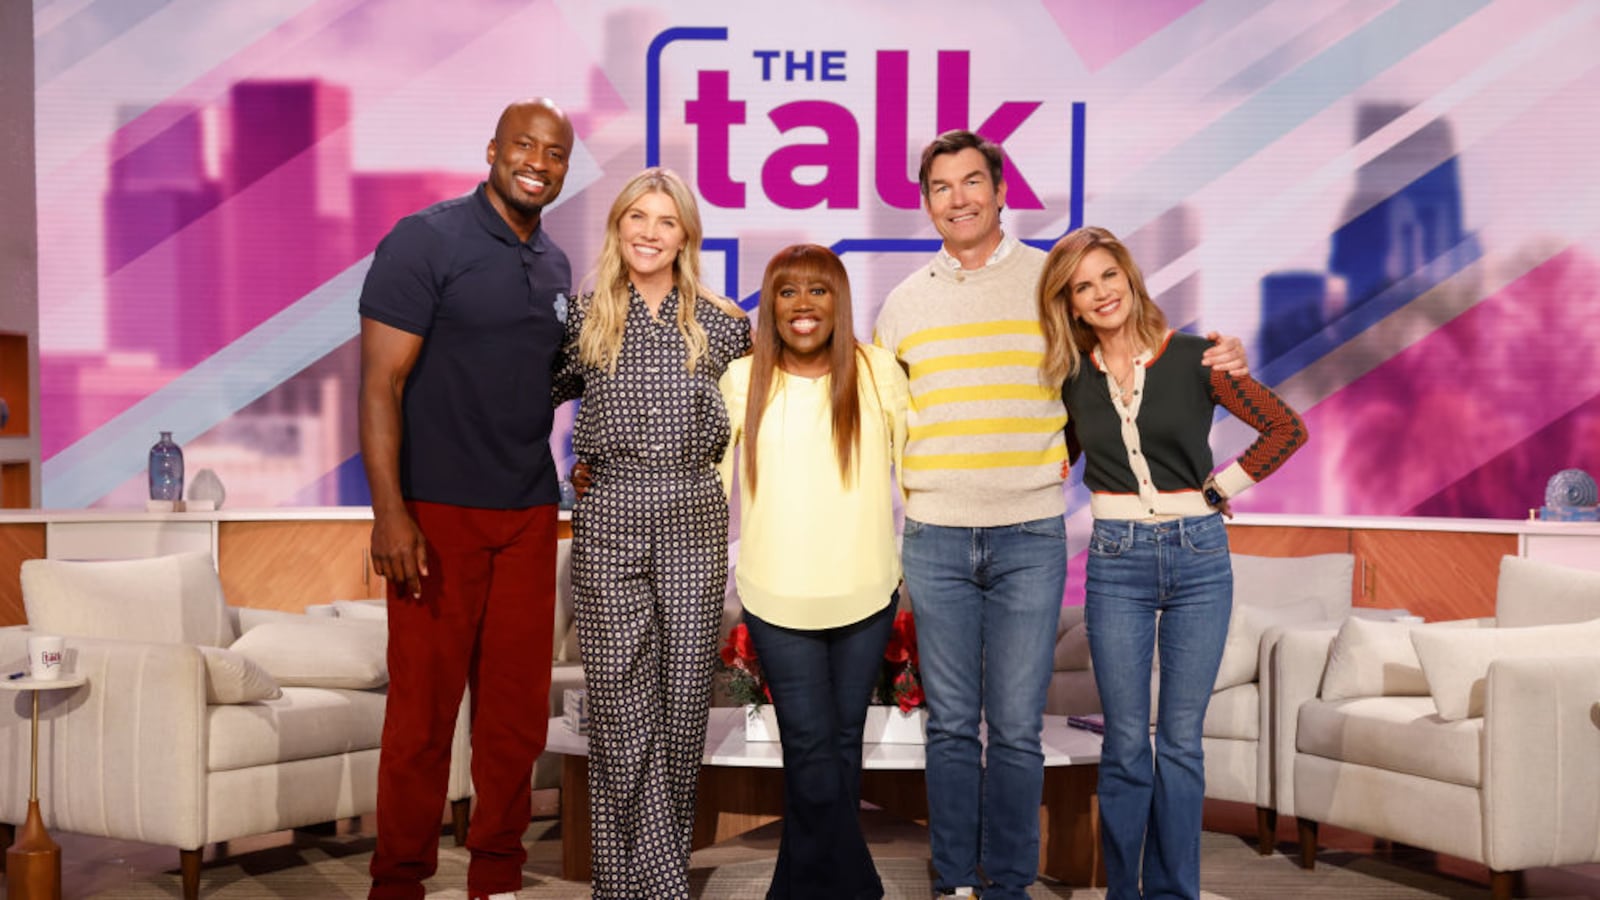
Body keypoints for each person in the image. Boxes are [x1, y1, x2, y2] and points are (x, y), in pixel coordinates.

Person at [873, 129, 1251, 900]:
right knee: (948, 727)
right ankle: (954, 883)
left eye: (972, 181)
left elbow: (1129, 358)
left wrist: (1220, 358)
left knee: (1014, 729)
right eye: (941, 188)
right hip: (937, 536)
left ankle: (1007, 885)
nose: (959, 198)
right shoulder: (902, 304)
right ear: (925, 204)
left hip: (1031, 534)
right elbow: (888, 417)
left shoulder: (1054, 286)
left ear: (1001, 189)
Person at [1038, 225, 1307, 899]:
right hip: (1116, 561)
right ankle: (1122, 892)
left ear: (1129, 279)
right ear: (1069, 304)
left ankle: (1172, 894)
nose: (1101, 293)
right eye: (1083, 286)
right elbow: (1046, 460)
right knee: (1127, 744)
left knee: (1181, 742)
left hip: (1199, 559)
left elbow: (1286, 428)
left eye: (1109, 276)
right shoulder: (1069, 381)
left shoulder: (1199, 358)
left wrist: (1221, 489)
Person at [357, 98, 573, 900]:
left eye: (555, 153)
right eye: (524, 145)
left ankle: (497, 880)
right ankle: (399, 882)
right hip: (435, 513)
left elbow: (546, 386)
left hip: (526, 515)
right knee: (421, 718)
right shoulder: (426, 239)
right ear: (492, 149)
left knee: (513, 720)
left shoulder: (554, 265)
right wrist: (391, 513)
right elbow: (381, 383)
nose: (538, 162)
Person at [550, 167, 750, 900]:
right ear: (617, 226)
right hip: (610, 510)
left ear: (685, 235)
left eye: (666, 221)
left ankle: (629, 883)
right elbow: (522, 398)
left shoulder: (724, 323)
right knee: (618, 702)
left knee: (682, 701)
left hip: (695, 508)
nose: (650, 232)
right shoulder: (584, 317)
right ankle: (651, 883)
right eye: (637, 216)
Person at [717, 244, 910, 900]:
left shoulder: (877, 370)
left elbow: (918, 468)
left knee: (841, 744)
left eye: (819, 291)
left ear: (840, 301)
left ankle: (794, 889)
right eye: (787, 291)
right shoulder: (742, 378)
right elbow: (714, 487)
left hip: (866, 590)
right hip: (776, 595)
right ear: (769, 304)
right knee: (808, 748)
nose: (803, 305)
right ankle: (859, 886)